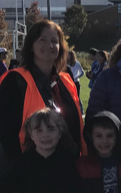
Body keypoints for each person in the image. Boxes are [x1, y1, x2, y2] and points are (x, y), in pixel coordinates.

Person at [0, 20, 85, 164]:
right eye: (42, 40)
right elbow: (6, 134)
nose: (49, 45)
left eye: (54, 41)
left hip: (69, 169)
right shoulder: (15, 80)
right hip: (30, 171)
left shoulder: (66, 80)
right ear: (31, 46)